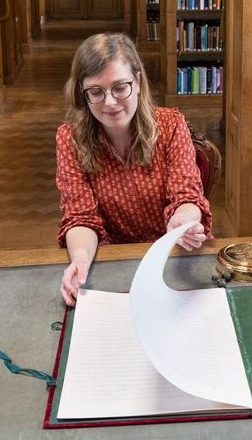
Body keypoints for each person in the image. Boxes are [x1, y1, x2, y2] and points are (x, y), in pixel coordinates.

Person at [56, 33, 213, 306]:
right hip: (116, 263)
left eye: (120, 87)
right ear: (82, 94)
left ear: (138, 82)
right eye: (96, 91)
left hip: (174, 254)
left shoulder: (171, 125)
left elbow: (187, 195)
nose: (110, 102)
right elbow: (80, 217)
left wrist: (183, 221)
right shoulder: (70, 140)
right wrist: (80, 260)